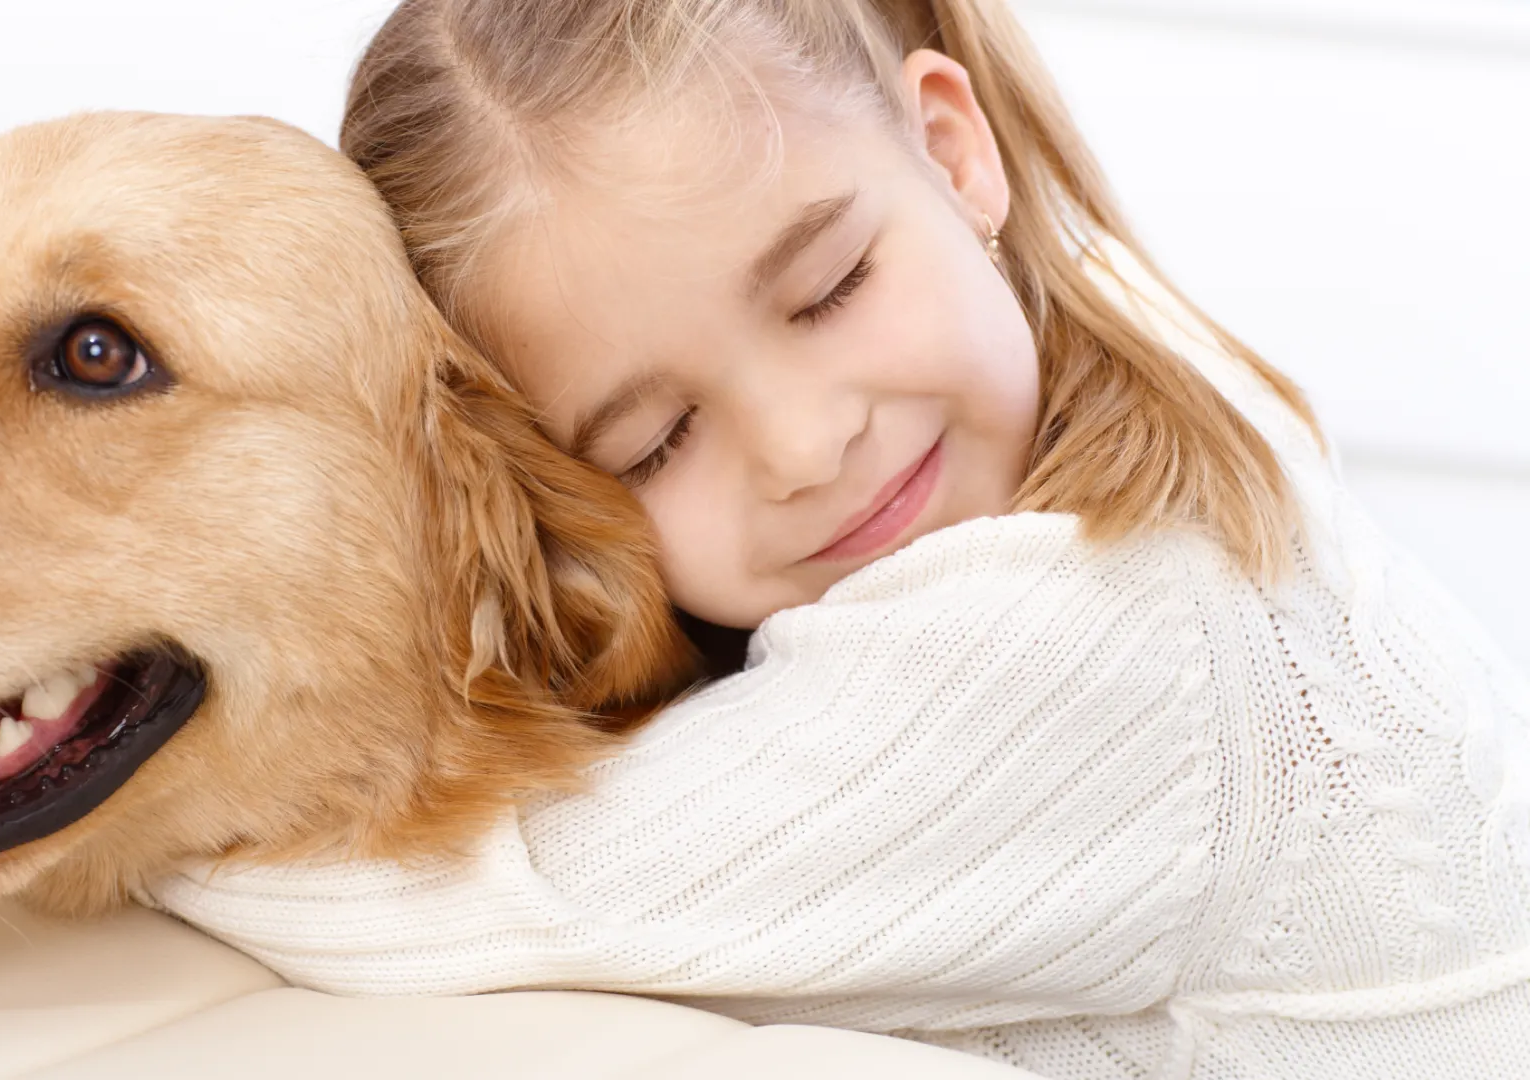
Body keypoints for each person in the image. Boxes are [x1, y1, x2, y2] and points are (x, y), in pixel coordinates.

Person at [145, 2, 1530, 1076]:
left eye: (827, 290)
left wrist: (142, 805)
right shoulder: (1114, 342)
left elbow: (512, 900)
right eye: (656, 443)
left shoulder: (1105, 642)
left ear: (953, 150)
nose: (807, 449)